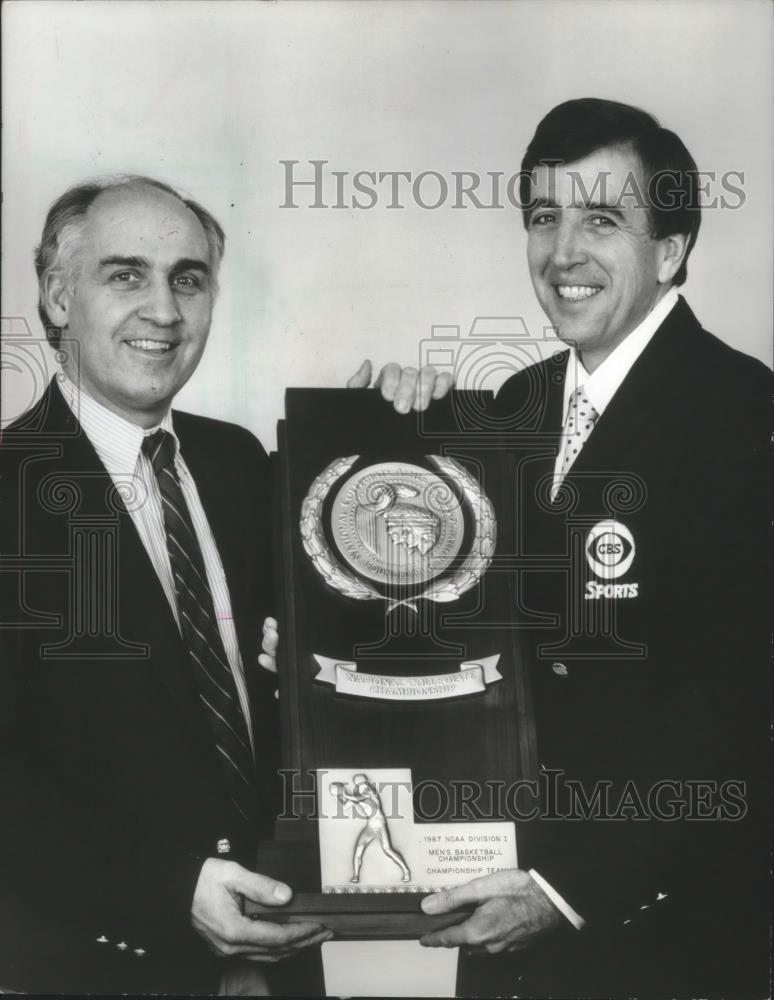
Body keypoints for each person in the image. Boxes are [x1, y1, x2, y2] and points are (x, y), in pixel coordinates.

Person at [353, 98, 772, 997]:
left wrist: (569, 887)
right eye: (544, 218)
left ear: (671, 250)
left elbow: (741, 710)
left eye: (602, 219)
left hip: (664, 937)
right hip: (501, 920)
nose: (563, 254)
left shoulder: (745, 415)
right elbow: (456, 631)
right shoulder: (514, 405)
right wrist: (393, 434)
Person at [0, 176, 342, 994]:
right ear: (56, 296)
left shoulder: (244, 466)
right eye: (126, 275)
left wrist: (397, 428)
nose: (164, 310)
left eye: (188, 278)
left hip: (280, 955)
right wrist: (165, 889)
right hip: (97, 963)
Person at [331, 774, 411, 884]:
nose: (362, 786)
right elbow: (345, 806)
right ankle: (356, 875)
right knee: (359, 848)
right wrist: (335, 796)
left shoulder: (372, 794)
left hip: (380, 825)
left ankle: (406, 871)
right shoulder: (358, 797)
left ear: (368, 784)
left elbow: (356, 798)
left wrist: (342, 792)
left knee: (388, 850)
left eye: (363, 784)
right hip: (370, 826)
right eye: (359, 785)